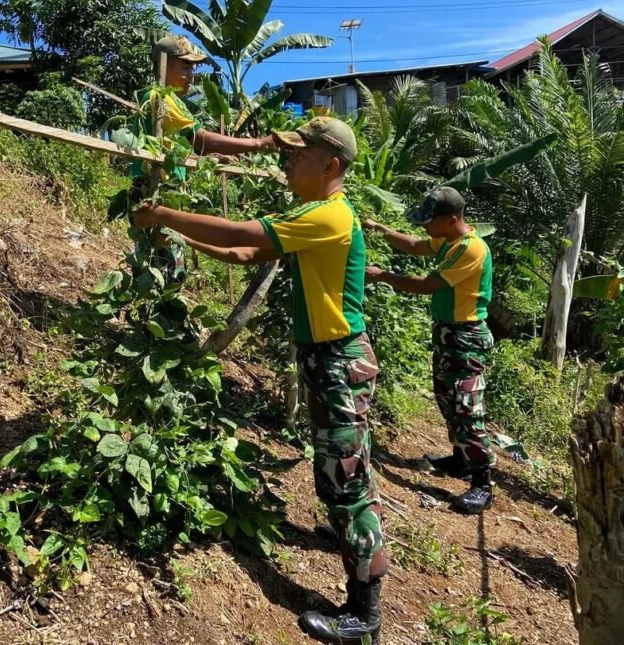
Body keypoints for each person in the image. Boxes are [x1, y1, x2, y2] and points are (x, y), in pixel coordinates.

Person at [133, 117, 387, 645]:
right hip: (329, 360)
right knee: (340, 470)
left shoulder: (331, 217)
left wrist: (161, 212)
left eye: (299, 154)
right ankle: (349, 541)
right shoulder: (314, 214)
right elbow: (244, 251)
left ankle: (365, 612)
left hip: (340, 362)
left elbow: (242, 234)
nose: (288, 160)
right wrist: (177, 233)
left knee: (346, 480)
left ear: (330, 165)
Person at [364, 187, 495, 515]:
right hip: (448, 334)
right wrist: (381, 230)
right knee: (445, 396)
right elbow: (414, 245)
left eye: (429, 222)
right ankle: (460, 459)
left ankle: (483, 483)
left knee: (467, 407)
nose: (425, 227)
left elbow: (426, 284)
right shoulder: (448, 240)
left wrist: (381, 275)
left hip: (466, 336)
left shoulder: (470, 249)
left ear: (452, 221)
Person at [129, 36, 277, 284]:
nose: (192, 75)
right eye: (186, 67)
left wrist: (203, 158)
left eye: (193, 68)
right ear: (165, 65)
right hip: (154, 188)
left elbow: (179, 146)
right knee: (162, 265)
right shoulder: (161, 97)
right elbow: (200, 139)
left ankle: (157, 318)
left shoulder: (174, 101)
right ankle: (154, 320)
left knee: (161, 261)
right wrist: (257, 144)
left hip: (164, 190)